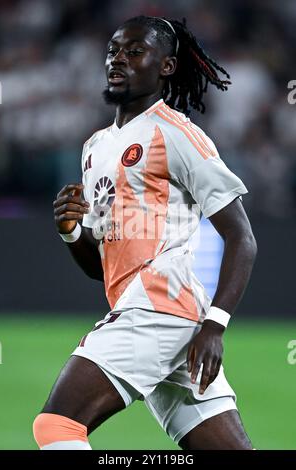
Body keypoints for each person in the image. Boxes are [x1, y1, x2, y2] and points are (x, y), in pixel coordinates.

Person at [33, 16, 257, 450]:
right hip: (153, 313)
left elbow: (241, 237)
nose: (119, 58)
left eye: (135, 51)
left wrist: (216, 324)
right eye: (114, 50)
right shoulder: (95, 147)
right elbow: (100, 268)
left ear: (166, 67)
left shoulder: (178, 134)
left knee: (57, 426)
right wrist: (71, 230)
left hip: (162, 307)